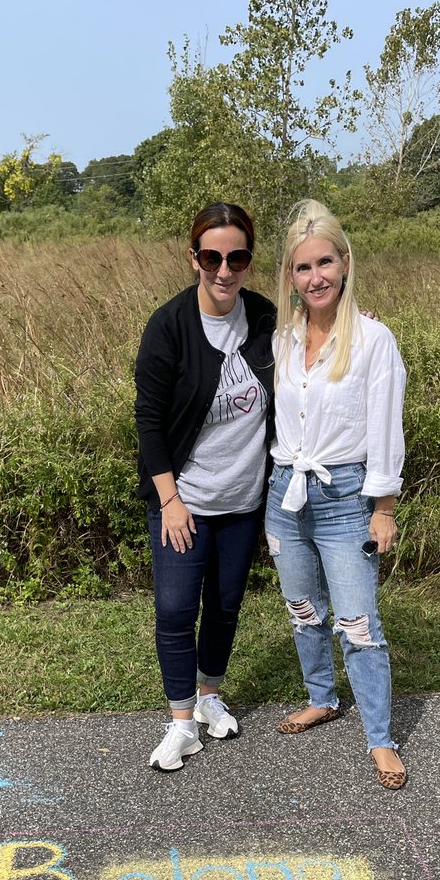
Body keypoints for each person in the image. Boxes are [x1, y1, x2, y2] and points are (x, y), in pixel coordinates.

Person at [265, 200, 408, 789]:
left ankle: (380, 737)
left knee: (357, 622)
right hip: (285, 493)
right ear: (290, 278)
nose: (315, 277)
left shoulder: (374, 340)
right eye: (302, 268)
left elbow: (385, 427)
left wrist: (384, 508)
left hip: (347, 495)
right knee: (304, 611)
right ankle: (321, 698)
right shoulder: (281, 337)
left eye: (325, 263)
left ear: (345, 263)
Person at [135, 202, 275, 771]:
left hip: (243, 499)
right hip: (184, 500)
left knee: (223, 606)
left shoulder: (264, 316)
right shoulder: (169, 326)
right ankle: (181, 721)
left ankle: (211, 696)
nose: (224, 270)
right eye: (212, 257)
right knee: (173, 609)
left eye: (236, 257)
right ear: (193, 258)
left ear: (248, 260)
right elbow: (148, 420)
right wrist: (169, 499)